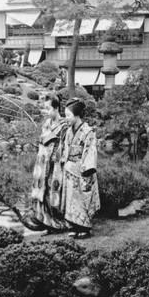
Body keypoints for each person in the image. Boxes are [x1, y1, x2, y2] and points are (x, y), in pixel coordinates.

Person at [27, 93, 70, 233]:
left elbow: (65, 145)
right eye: (45, 109)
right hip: (43, 163)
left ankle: (58, 223)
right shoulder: (46, 124)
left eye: (48, 109)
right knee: (43, 193)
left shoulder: (64, 125)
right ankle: (46, 223)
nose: (46, 112)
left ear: (56, 108)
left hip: (55, 164)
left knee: (54, 192)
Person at [61, 97, 100, 239]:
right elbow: (65, 149)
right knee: (70, 200)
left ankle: (84, 227)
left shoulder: (88, 132)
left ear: (77, 115)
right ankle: (73, 225)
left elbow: (90, 151)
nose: (66, 119)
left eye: (68, 116)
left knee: (82, 199)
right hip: (69, 168)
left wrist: (85, 169)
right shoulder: (69, 131)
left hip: (82, 169)